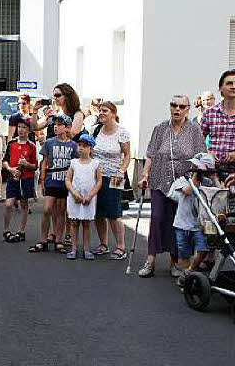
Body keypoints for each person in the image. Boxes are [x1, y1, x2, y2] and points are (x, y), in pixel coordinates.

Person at [136, 95, 206, 278]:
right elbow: (150, 154)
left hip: (183, 184)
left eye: (182, 106)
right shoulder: (160, 129)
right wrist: (144, 175)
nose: (177, 109)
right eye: (174, 105)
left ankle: (175, 262)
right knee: (157, 218)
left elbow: (201, 159)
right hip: (159, 180)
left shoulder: (194, 130)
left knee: (179, 223)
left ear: (188, 109)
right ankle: (150, 261)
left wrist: (195, 182)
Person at [90, 101, 131, 260]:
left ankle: (121, 246)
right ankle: (103, 244)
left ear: (113, 113)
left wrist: (121, 171)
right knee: (99, 212)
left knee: (114, 212)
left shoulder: (122, 132)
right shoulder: (96, 130)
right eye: (100, 110)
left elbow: (127, 155)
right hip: (96, 176)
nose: (101, 113)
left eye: (105, 110)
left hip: (114, 176)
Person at [30, 114, 75, 253]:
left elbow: (75, 165)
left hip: (64, 181)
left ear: (67, 127)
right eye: (55, 124)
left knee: (61, 211)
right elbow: (44, 162)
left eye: (60, 124)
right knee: (46, 209)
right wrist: (42, 181)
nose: (56, 126)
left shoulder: (72, 145)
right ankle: (43, 239)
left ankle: (59, 240)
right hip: (51, 179)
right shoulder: (49, 142)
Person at [168, 152, 216, 284]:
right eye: (194, 165)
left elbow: (219, 194)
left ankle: (190, 271)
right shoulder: (183, 179)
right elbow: (189, 190)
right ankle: (187, 277)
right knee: (184, 252)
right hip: (182, 223)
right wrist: (196, 174)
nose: (195, 166)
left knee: (202, 248)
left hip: (201, 224)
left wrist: (214, 176)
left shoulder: (208, 182)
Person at [65, 134, 103, 260]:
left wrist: (91, 195)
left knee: (86, 223)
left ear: (91, 148)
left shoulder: (96, 163)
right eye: (79, 145)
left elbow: (99, 181)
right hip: (75, 197)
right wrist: (74, 193)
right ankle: (74, 248)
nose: (81, 148)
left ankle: (87, 249)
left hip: (89, 198)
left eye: (84, 146)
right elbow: (68, 180)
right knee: (74, 223)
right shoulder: (73, 163)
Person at [2, 114, 37, 242]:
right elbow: (4, 161)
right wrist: (10, 169)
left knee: (24, 204)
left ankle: (21, 231)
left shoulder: (31, 146)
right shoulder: (11, 143)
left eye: (24, 127)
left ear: (28, 130)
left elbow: (35, 166)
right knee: (8, 204)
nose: (21, 129)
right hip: (13, 179)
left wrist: (26, 164)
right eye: (19, 126)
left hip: (26, 179)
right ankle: (6, 230)